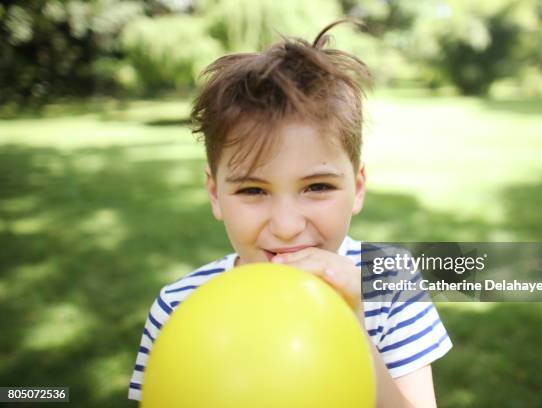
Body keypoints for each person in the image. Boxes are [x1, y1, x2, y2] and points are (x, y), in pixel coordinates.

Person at [129, 19, 452, 408]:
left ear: (358, 188)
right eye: (253, 190)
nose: (286, 228)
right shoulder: (179, 307)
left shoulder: (391, 286)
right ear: (215, 193)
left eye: (317, 187)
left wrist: (356, 331)